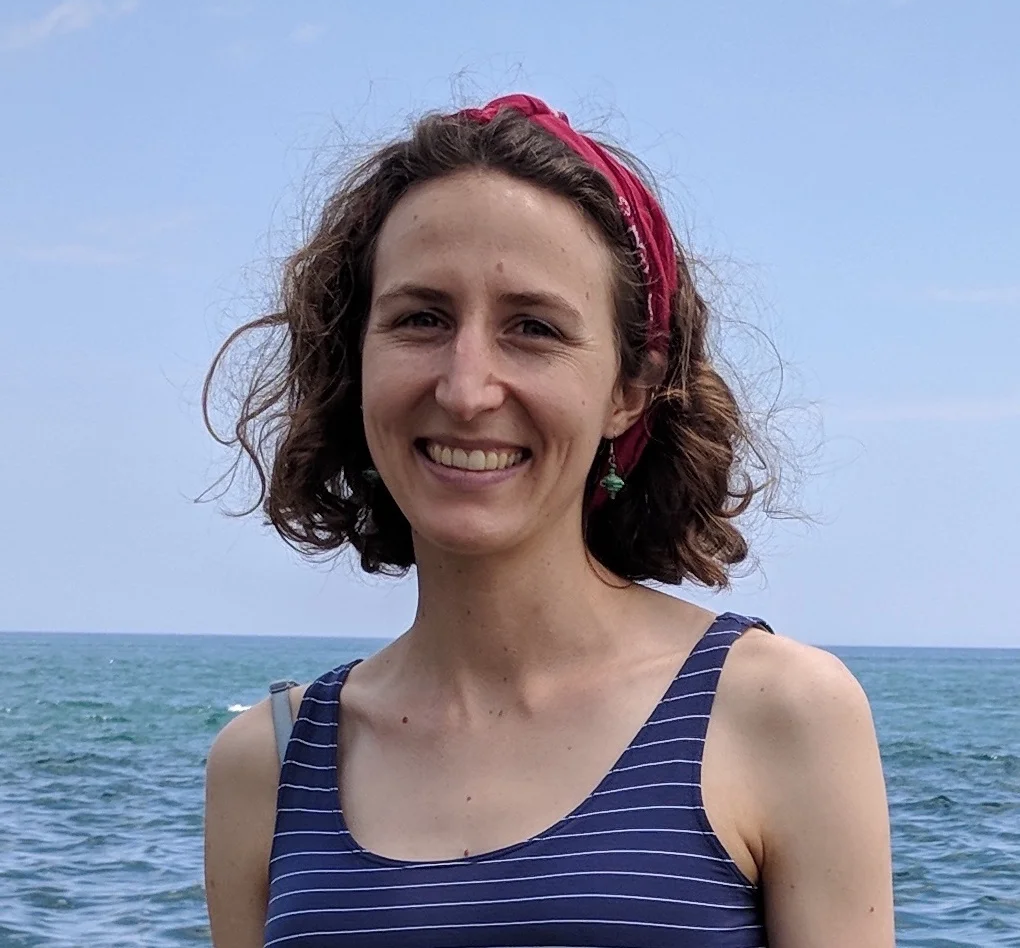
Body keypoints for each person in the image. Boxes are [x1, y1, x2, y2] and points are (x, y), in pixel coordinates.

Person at [202, 94, 895, 947]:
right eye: (421, 319)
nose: (466, 389)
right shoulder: (266, 767)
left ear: (630, 389)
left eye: (532, 328)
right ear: (356, 360)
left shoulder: (781, 713)